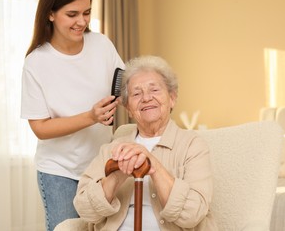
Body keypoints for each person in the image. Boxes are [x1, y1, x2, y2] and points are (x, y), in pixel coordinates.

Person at [20, 0, 124, 230]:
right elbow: (41, 128)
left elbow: (124, 84)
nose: (82, 21)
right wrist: (91, 117)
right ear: (51, 13)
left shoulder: (101, 44)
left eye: (86, 12)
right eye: (72, 14)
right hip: (60, 173)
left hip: (102, 166)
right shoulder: (36, 63)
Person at [73, 56, 216, 230]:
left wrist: (152, 164)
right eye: (136, 93)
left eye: (154, 90)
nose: (146, 98)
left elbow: (192, 214)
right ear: (128, 109)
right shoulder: (112, 149)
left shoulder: (192, 146)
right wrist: (117, 175)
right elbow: (85, 210)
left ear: (172, 98)